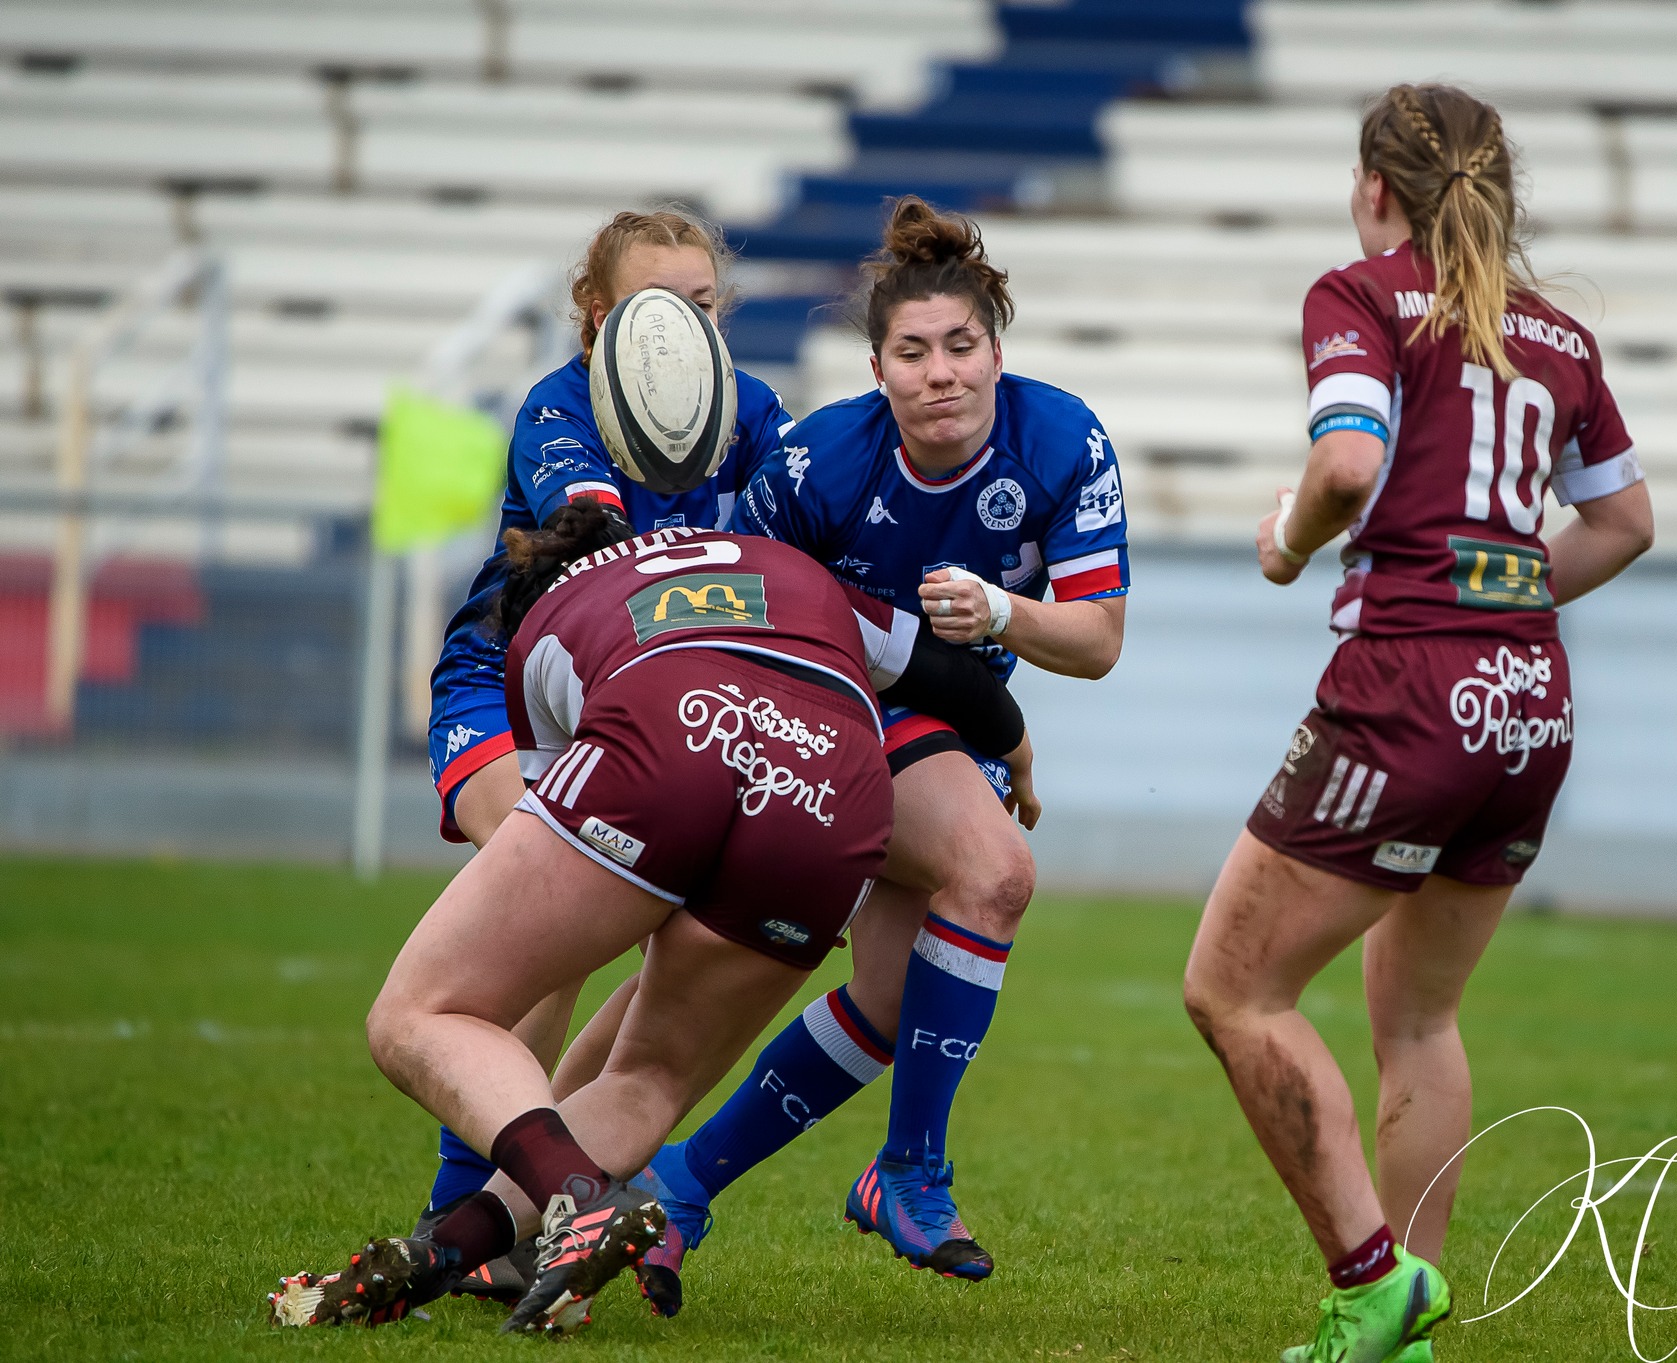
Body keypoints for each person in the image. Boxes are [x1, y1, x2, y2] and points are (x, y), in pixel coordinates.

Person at [274, 505, 1032, 1334]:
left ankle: (583, 1199)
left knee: (416, 1013)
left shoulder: (543, 623)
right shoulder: (777, 559)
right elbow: (955, 683)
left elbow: (551, 822)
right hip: (836, 794)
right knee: (652, 1079)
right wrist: (1018, 755)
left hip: (673, 723)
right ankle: (446, 1251)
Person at [1180, 83, 1655, 1363]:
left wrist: (1283, 545)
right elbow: (1623, 521)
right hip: (1529, 702)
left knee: (1232, 990)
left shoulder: (1360, 291)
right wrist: (1503, 590)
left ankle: (1368, 1282)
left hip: (1407, 691)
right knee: (1420, 1019)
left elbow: (1341, 467)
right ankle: (1411, 1315)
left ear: (1374, 189)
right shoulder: (1557, 337)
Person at [611, 196, 1130, 1292]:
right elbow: (730, 613)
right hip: (827, 712)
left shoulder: (1063, 439)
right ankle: (910, 1169)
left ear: (996, 350)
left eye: (960, 345)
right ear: (877, 367)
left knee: (895, 1000)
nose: (940, 372)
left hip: (953, 722)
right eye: (912, 351)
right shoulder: (817, 464)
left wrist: (1000, 615)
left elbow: (1094, 643)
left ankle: (675, 1188)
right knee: (993, 874)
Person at [415, 208, 798, 1244]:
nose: (683, 330)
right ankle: (466, 1204)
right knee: (544, 928)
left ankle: (531, 1199)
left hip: (659, 706)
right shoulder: (559, 405)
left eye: (703, 306)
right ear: (594, 317)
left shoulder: (756, 411)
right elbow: (598, 543)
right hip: (508, 684)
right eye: (653, 306)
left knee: (666, 954)